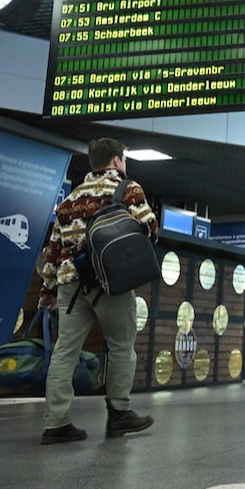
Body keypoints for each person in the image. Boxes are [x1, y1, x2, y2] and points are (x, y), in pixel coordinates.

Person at [38, 137, 157, 444]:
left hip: (70, 284)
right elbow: (150, 227)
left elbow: (53, 250)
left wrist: (47, 291)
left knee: (65, 351)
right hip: (110, 282)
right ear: (117, 160)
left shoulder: (69, 200)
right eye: (124, 159)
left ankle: (56, 424)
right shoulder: (127, 188)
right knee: (121, 346)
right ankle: (119, 413)